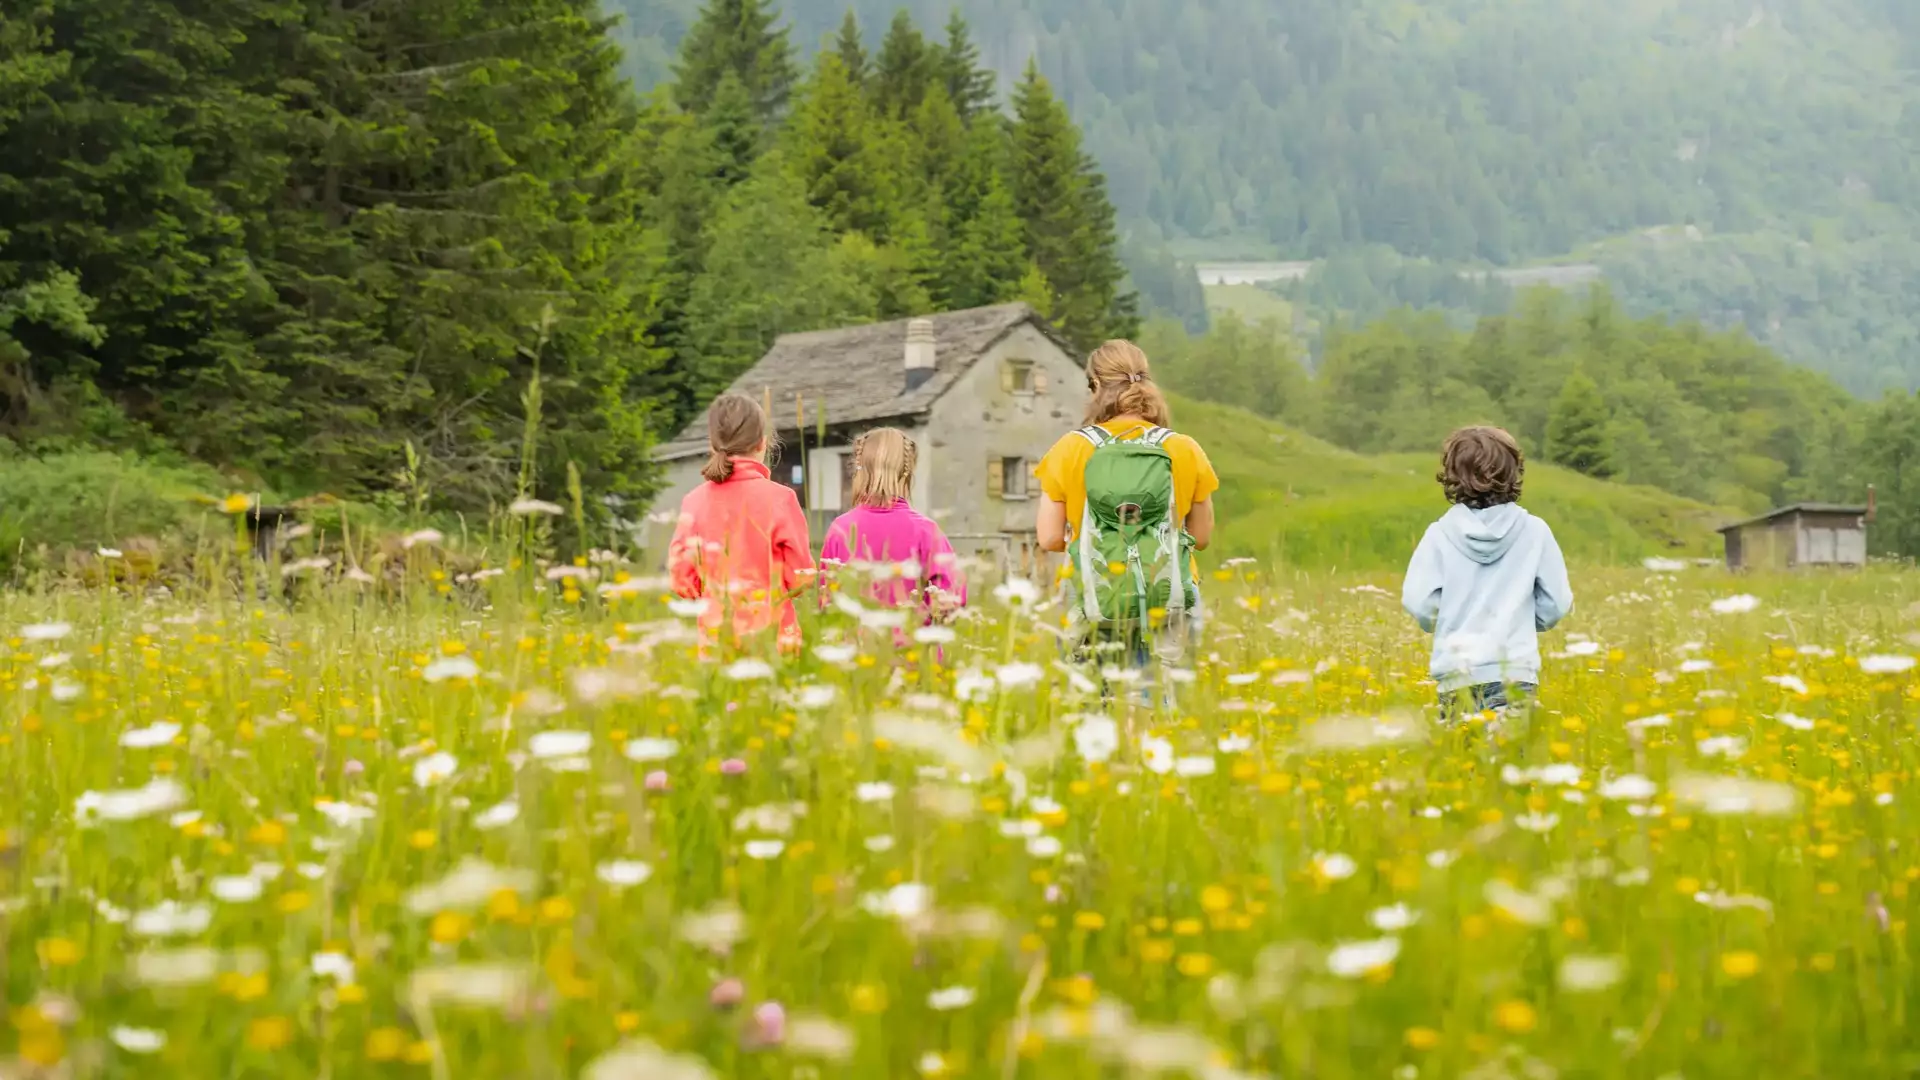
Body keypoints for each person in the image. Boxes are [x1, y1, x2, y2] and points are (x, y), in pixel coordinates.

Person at [1035, 340, 1218, 669]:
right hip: (1169, 592)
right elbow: (1201, 537)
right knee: (1166, 704)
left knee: (1092, 705)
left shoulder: (1070, 448)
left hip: (1091, 592)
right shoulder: (1184, 448)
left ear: (1095, 386)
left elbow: (1048, 538)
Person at [1400, 425, 1574, 720]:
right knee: (1510, 761)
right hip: (1515, 674)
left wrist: (1452, 620)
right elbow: (1556, 603)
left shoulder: (1439, 534)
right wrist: (1520, 617)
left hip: (1457, 675)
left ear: (1452, 474)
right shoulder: (1535, 531)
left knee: (1461, 761)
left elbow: (1419, 602)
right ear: (1513, 471)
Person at [668, 393, 815, 650]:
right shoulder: (782, 499)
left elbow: (682, 579)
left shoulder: (694, 501)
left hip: (716, 642)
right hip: (775, 642)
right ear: (762, 443)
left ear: (713, 445)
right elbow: (801, 577)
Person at [819, 427, 965, 621]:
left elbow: (827, 602)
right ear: (908, 473)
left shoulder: (840, 528)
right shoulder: (926, 531)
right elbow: (950, 601)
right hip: (913, 645)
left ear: (859, 470)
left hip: (855, 645)